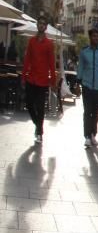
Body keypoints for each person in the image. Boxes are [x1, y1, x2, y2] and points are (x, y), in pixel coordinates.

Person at [22, 14, 57, 144]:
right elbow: (27, 59)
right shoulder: (31, 41)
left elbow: (52, 63)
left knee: (40, 107)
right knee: (29, 104)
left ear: (46, 27)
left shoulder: (49, 44)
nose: (41, 25)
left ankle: (39, 132)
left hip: (42, 80)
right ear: (37, 25)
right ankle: (38, 125)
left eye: (43, 24)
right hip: (31, 78)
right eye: (40, 23)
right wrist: (23, 75)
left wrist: (53, 81)